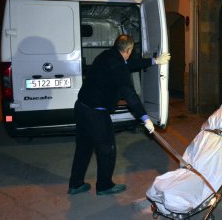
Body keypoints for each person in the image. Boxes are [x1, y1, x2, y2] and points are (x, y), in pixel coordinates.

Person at [68, 34, 170, 195]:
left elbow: (128, 64)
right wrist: (144, 117)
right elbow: (129, 94)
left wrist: (154, 61)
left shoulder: (107, 56)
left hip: (81, 107)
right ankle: (104, 186)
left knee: (84, 148)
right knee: (107, 149)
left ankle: (75, 184)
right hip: (96, 113)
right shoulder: (118, 66)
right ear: (128, 50)